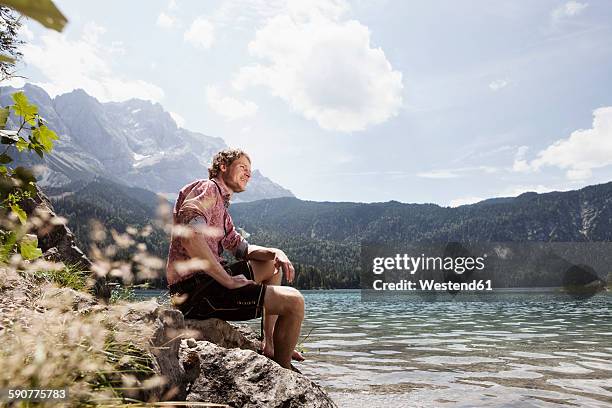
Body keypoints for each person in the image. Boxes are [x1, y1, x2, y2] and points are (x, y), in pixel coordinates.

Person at [166, 148, 305, 369]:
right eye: (243, 167)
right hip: (194, 290)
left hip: (205, 283)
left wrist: (275, 252)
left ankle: (269, 344)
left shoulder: (222, 208)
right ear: (223, 166)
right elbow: (190, 236)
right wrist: (228, 280)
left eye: (250, 171)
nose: (248, 174)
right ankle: (284, 369)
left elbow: (243, 249)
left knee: (270, 264)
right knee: (294, 302)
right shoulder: (208, 188)